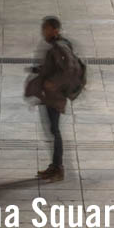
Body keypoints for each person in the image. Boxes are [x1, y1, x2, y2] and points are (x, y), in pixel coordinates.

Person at [27, 17, 77, 183]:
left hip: (55, 97)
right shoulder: (57, 46)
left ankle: (58, 168)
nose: (43, 31)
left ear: (55, 30)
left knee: (55, 131)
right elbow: (57, 67)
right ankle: (55, 166)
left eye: (46, 28)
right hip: (51, 96)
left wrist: (51, 83)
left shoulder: (60, 47)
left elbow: (69, 69)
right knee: (53, 130)